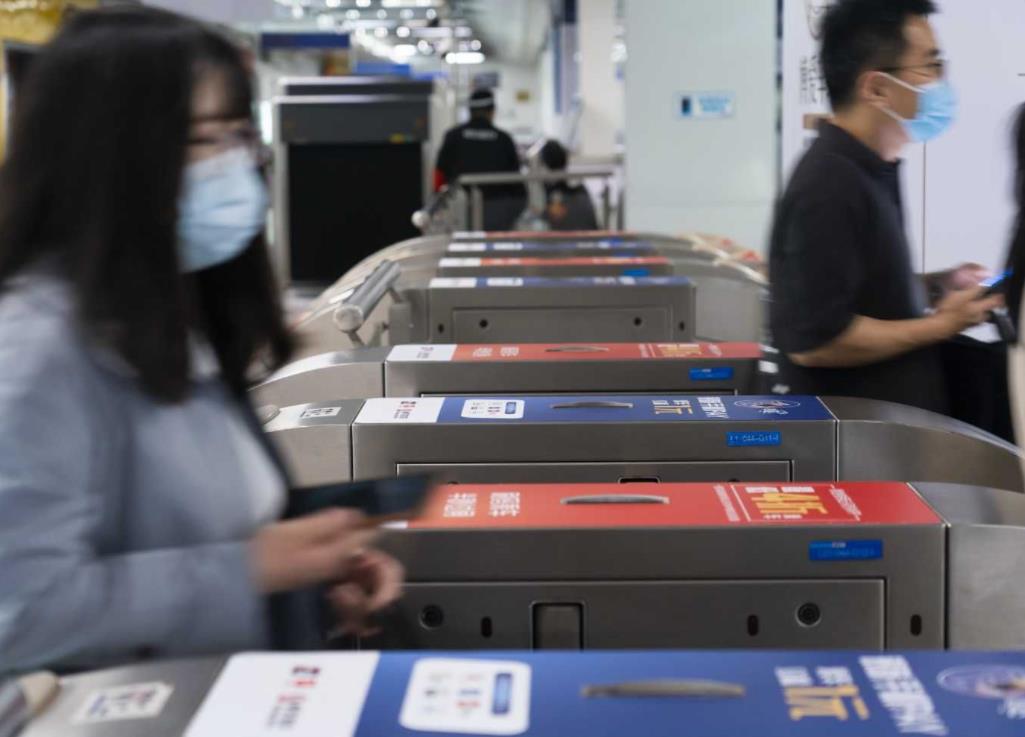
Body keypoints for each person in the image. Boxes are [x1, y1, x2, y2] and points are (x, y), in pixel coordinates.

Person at [0, 7, 402, 673]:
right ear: (107, 154)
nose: (234, 165)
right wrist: (251, 568)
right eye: (205, 139)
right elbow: (20, 613)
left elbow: (192, 534)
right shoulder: (34, 351)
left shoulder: (169, 315)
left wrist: (308, 575)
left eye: (241, 135)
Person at [769, 0, 1002, 414]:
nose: (941, 81)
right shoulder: (829, 184)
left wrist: (936, 284)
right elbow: (816, 341)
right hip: (855, 439)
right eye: (930, 66)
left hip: (894, 428)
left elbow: (860, 288)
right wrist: (941, 325)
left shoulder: (871, 168)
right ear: (876, 89)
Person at [434, 88, 526, 231]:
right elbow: (517, 183)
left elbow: (439, 176)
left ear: (470, 111)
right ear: (492, 111)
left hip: (459, 212)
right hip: (498, 213)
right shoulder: (504, 139)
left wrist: (439, 203)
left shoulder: (453, 136)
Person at [539, 139, 599, 231]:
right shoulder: (580, 188)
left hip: (568, 236)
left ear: (545, 163)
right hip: (587, 235)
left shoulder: (553, 193)